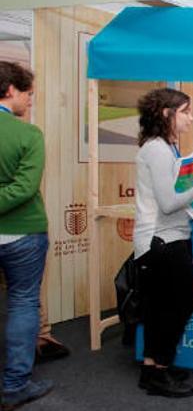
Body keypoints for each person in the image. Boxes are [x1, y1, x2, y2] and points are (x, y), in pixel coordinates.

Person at [133, 88, 193, 398]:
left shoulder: (166, 148)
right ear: (166, 113)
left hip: (169, 238)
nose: (190, 117)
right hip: (161, 241)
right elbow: (168, 201)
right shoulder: (158, 150)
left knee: (162, 307)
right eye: (185, 111)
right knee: (178, 304)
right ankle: (159, 370)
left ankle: (154, 368)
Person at [0, 61, 54, 409]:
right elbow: (24, 188)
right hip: (22, 234)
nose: (30, 102)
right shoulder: (28, 134)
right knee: (22, 303)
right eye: (28, 94)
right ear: (11, 91)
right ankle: (14, 385)